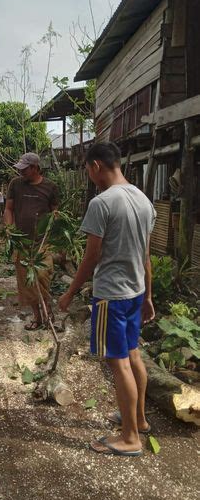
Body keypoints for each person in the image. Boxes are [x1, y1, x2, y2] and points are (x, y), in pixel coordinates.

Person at [58, 142, 156, 457]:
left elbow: (91, 257)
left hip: (111, 296)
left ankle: (129, 438)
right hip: (135, 292)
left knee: (119, 363)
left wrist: (70, 292)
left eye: (88, 169)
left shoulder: (103, 203)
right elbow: (146, 255)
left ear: (97, 165)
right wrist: (149, 296)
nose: (89, 175)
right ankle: (138, 420)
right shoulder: (143, 200)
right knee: (133, 355)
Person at [4, 152, 58, 330]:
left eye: (25, 169)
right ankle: (38, 317)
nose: (21, 172)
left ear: (35, 168)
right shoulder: (16, 184)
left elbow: (54, 213)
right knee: (27, 282)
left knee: (42, 276)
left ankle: (47, 312)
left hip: (43, 242)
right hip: (22, 242)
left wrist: (54, 227)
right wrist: (10, 230)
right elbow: (9, 209)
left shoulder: (50, 187)